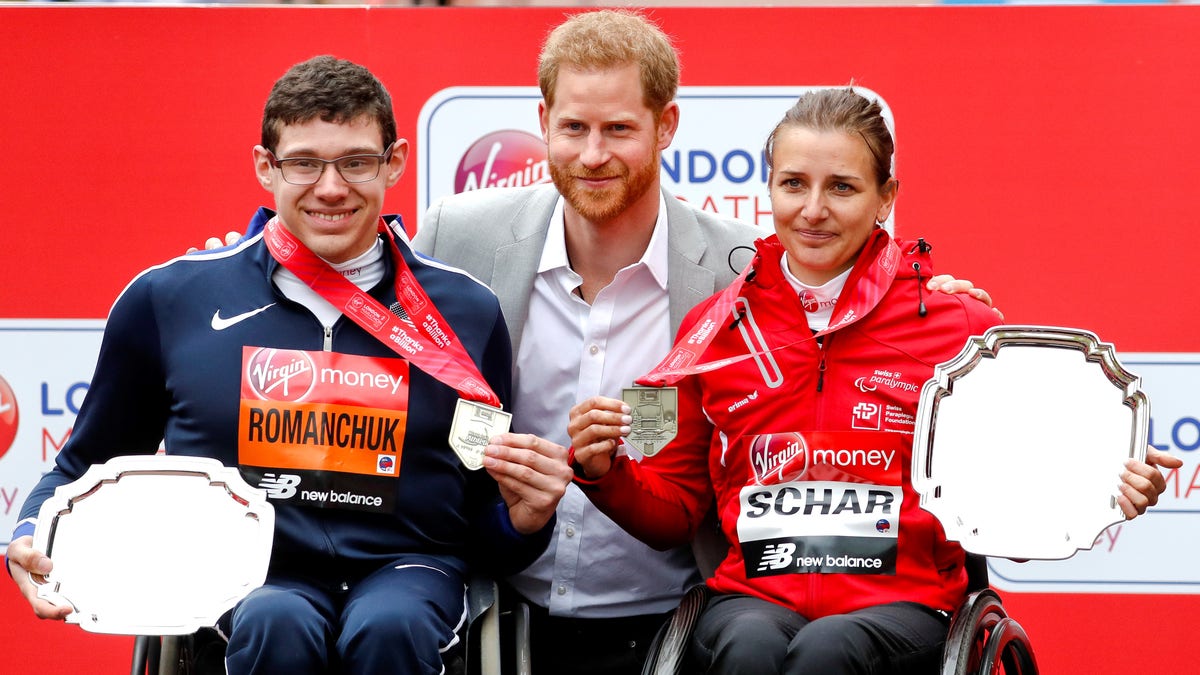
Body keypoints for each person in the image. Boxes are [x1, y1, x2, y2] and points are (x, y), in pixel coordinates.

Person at [205, 12, 994, 675]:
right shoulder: (456, 236)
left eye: (619, 128)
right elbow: (340, 273)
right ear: (542, 123)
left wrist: (935, 294)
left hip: (672, 615)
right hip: (504, 606)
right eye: (574, 127)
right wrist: (233, 265)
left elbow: (840, 287)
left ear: (666, 126)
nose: (592, 154)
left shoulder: (739, 267)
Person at [568, 87, 1181, 674]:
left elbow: (1012, 507)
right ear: (770, 188)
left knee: (827, 654)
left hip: (905, 605)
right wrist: (605, 474)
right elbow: (674, 511)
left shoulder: (958, 325)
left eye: (842, 187)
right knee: (749, 648)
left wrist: (1099, 487)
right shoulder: (718, 326)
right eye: (793, 184)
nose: (813, 210)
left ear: (886, 196)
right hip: (753, 598)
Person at [5, 55, 569, 675]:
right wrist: (32, 535)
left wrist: (526, 521)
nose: (331, 187)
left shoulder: (464, 310)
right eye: (304, 163)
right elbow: (82, 465)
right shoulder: (171, 300)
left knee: (392, 626)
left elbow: (485, 522)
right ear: (265, 167)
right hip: (244, 572)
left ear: (395, 163)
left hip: (410, 571)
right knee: (279, 621)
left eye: (356, 161)